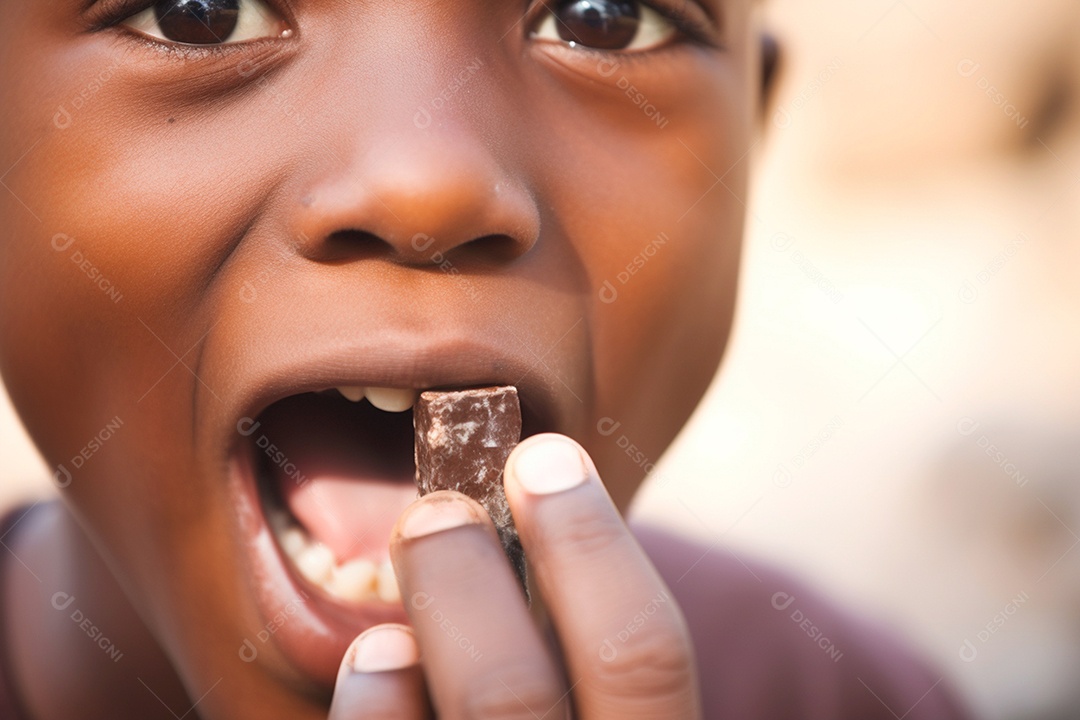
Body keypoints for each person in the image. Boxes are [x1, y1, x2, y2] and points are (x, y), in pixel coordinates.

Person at [0, 0, 973, 717]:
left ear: (753, 138)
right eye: (200, 14)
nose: (429, 184)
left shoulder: (842, 694)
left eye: (603, 20)